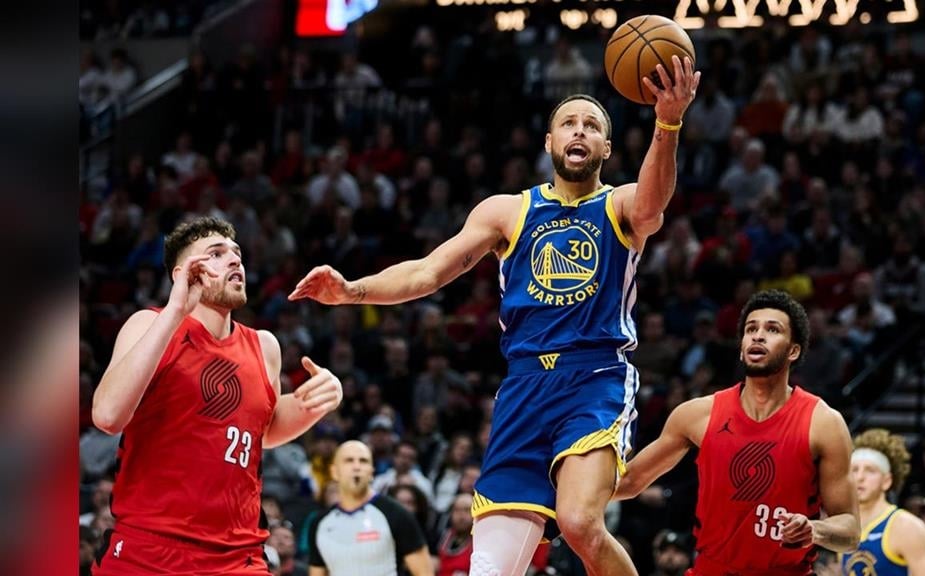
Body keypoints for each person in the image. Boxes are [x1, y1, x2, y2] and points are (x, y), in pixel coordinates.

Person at [291, 55, 701, 576]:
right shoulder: (507, 211)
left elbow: (652, 205)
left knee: (578, 522)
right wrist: (353, 291)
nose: (579, 131)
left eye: (592, 126)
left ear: (606, 149)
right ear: (549, 143)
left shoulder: (619, 205)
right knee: (487, 568)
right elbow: (427, 272)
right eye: (568, 123)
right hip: (523, 386)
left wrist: (668, 123)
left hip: (593, 377)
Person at [90, 216, 343, 575]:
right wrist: (176, 310)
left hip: (238, 555)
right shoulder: (148, 324)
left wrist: (313, 402)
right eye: (216, 253)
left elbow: (262, 431)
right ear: (183, 274)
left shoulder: (264, 346)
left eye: (236, 252)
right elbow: (107, 415)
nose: (235, 259)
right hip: (149, 549)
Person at [615, 289, 860, 575]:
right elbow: (629, 481)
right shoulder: (697, 415)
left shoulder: (824, 423)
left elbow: (850, 530)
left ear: (793, 351)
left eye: (772, 329)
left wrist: (815, 530)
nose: (758, 336)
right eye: (751, 329)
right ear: (742, 346)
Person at [307, 441, 432, 576]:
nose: (356, 467)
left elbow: (425, 573)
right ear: (334, 471)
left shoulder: (396, 515)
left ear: (372, 471)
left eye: (363, 461)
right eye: (349, 460)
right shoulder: (320, 524)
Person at [841, 428, 925, 576]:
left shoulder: (907, 527)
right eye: (854, 470)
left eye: (870, 470)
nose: (860, 477)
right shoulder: (846, 528)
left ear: (887, 481)